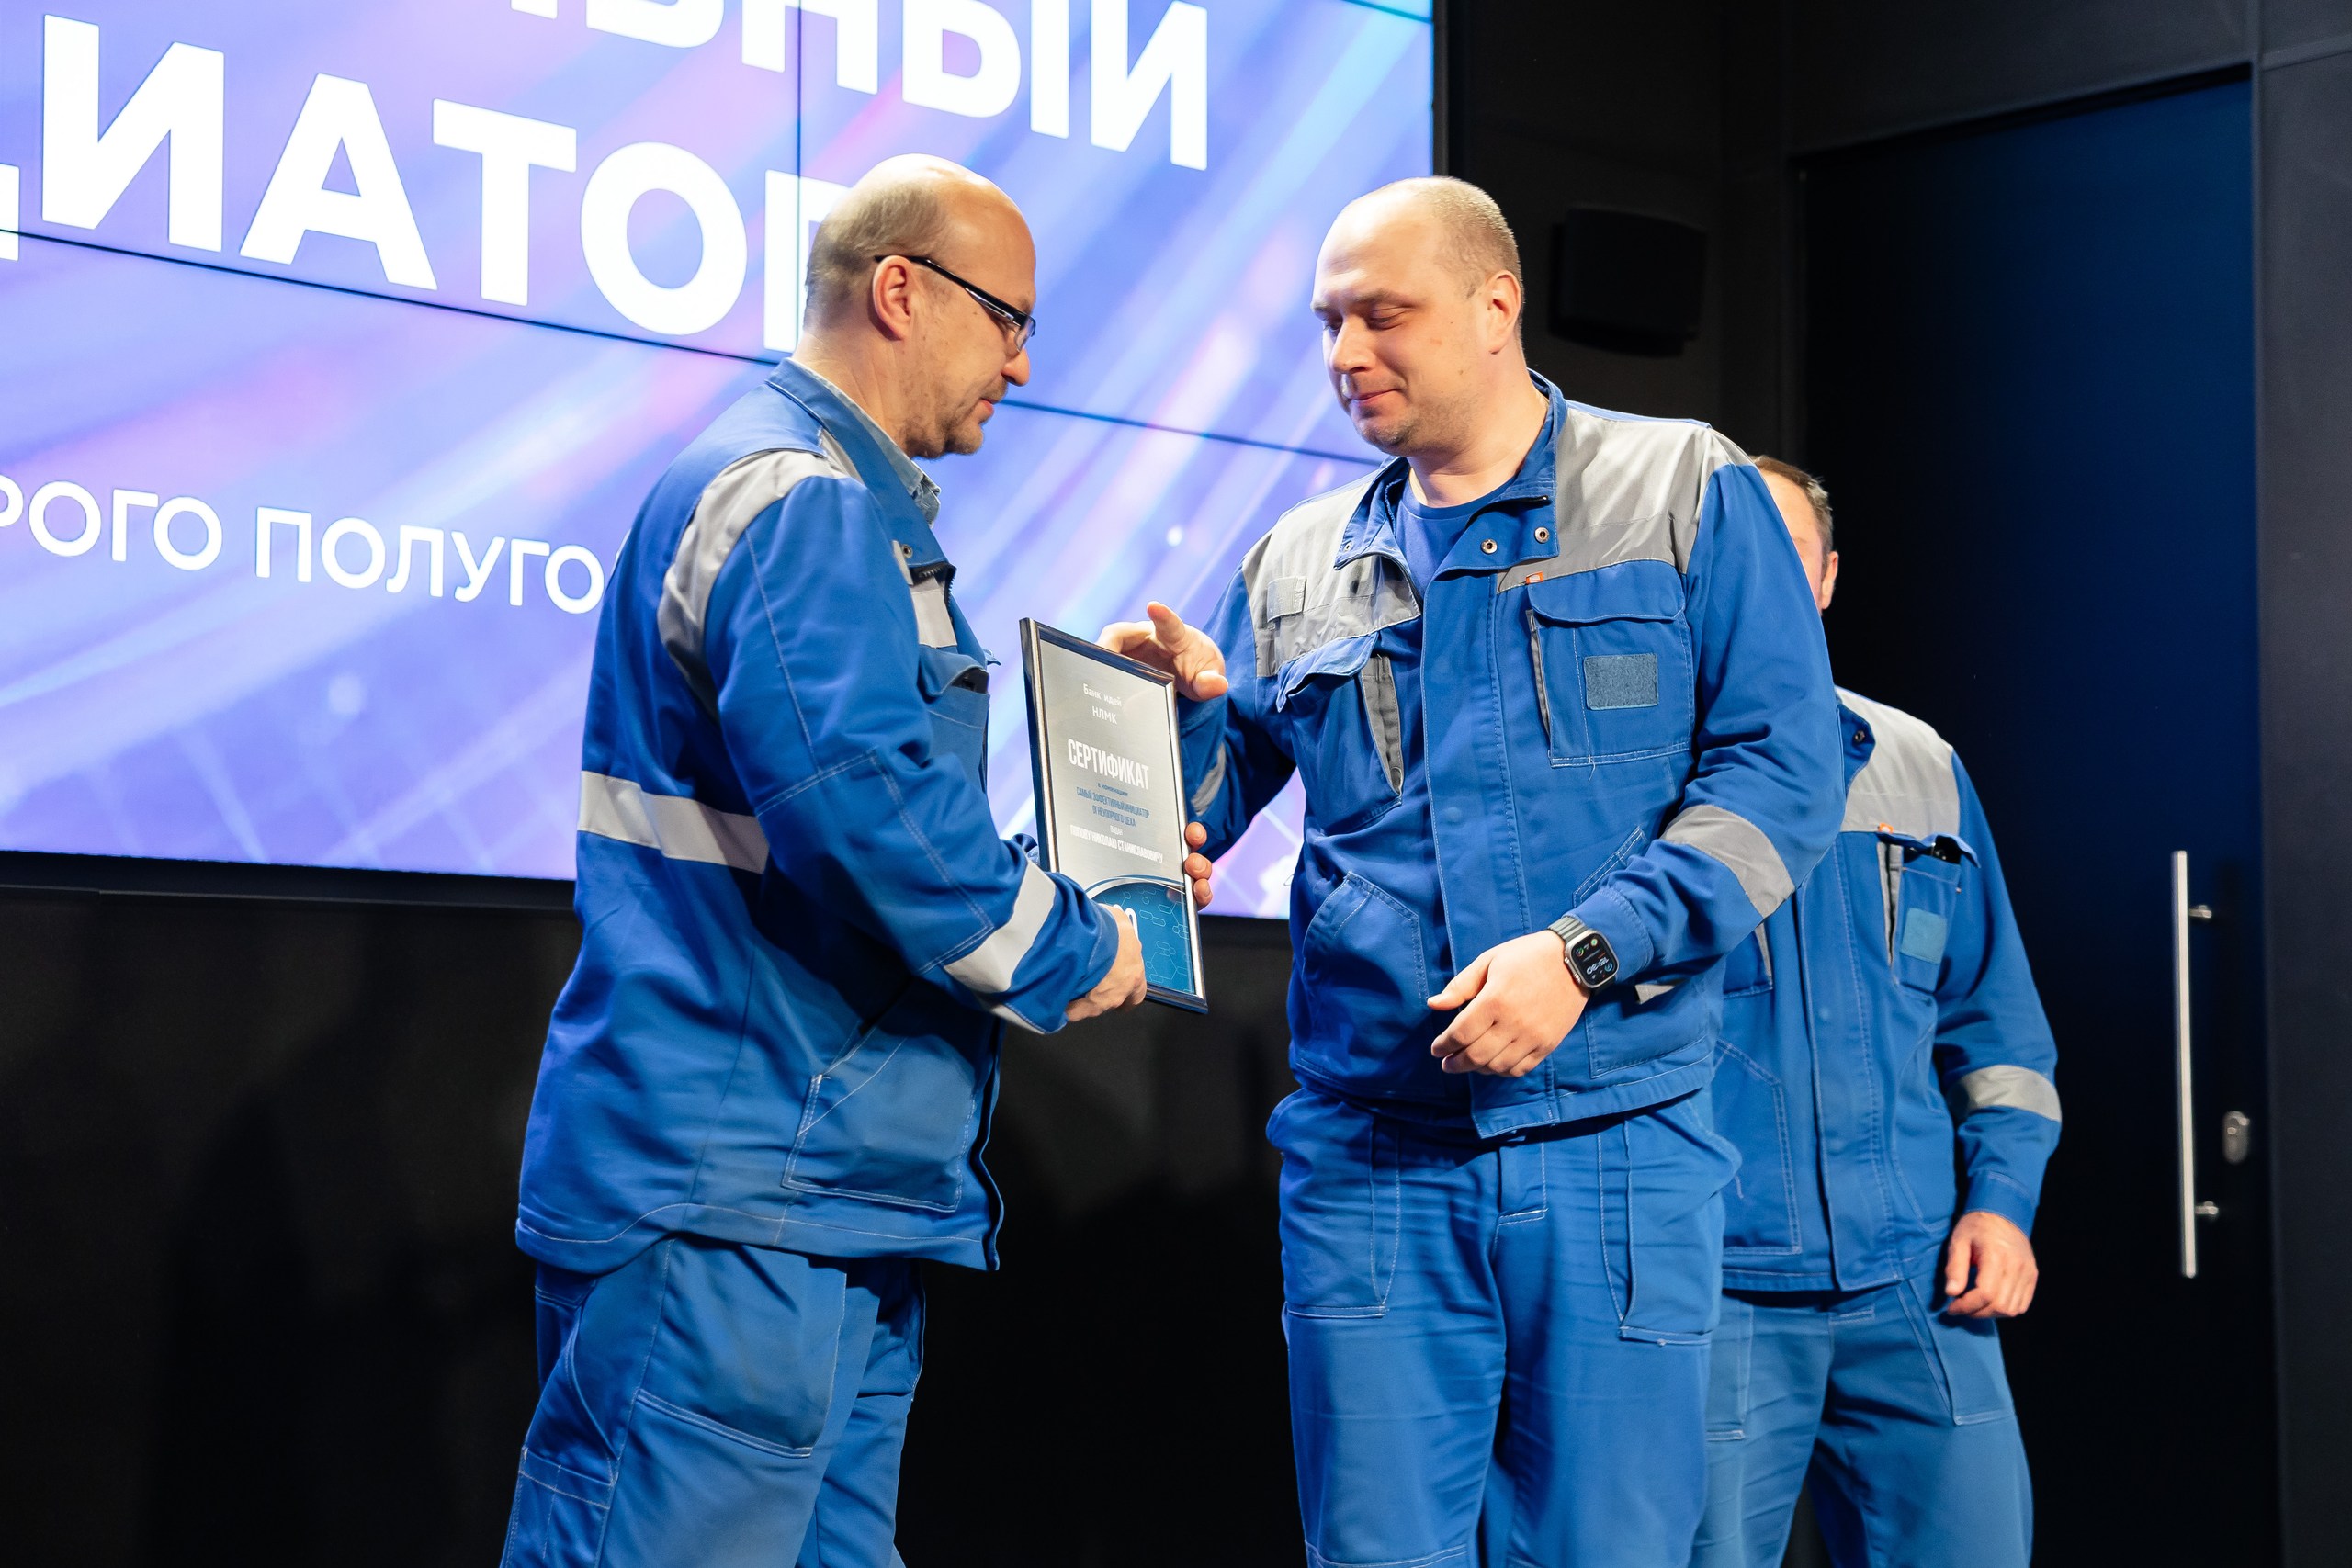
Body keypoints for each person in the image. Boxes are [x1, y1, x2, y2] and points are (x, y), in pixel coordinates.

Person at [1102, 178, 1845, 1566]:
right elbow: (1192, 829)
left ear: (1496, 304)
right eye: (1328, 322)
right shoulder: (1295, 564)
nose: (1345, 353)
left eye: (1382, 315)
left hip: (1618, 1148)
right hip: (1373, 1158)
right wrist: (1165, 726)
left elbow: (1784, 778)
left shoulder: (1681, 488)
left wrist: (1584, 955)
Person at [498, 155, 1193, 1568]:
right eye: (1009, 320)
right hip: (735, 1194)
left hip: (812, 1196)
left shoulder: (833, 507)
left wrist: (1101, 821)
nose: (1021, 361)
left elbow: (864, 829)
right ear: (900, 290)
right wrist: (1082, 942)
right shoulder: (798, 498)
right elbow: (870, 824)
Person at [1689, 458, 2059, 1568]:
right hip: (1712, 1289)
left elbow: (1996, 1028)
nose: (1759, 583)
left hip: (1919, 1285)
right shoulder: (1626, 778)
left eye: (1785, 558)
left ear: (1827, 578)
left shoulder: (1918, 766)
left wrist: (2001, 1202)